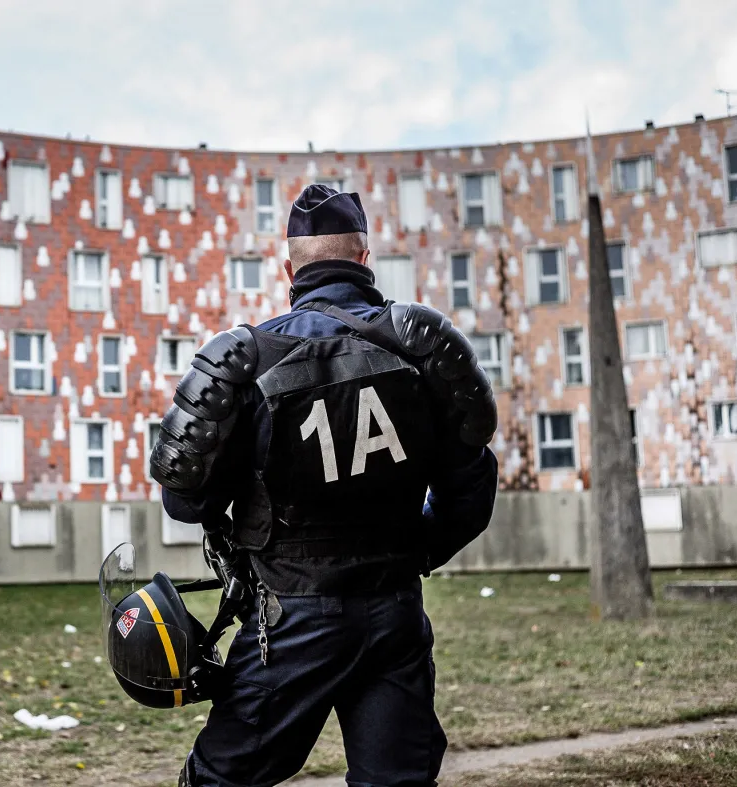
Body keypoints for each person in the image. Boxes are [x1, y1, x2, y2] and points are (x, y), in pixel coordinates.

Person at [149, 184, 500, 787]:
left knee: (218, 780)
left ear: (290, 270)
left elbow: (184, 500)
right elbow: (469, 495)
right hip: (394, 616)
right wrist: (411, 554)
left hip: (289, 621)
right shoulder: (422, 350)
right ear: (364, 259)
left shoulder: (248, 360)